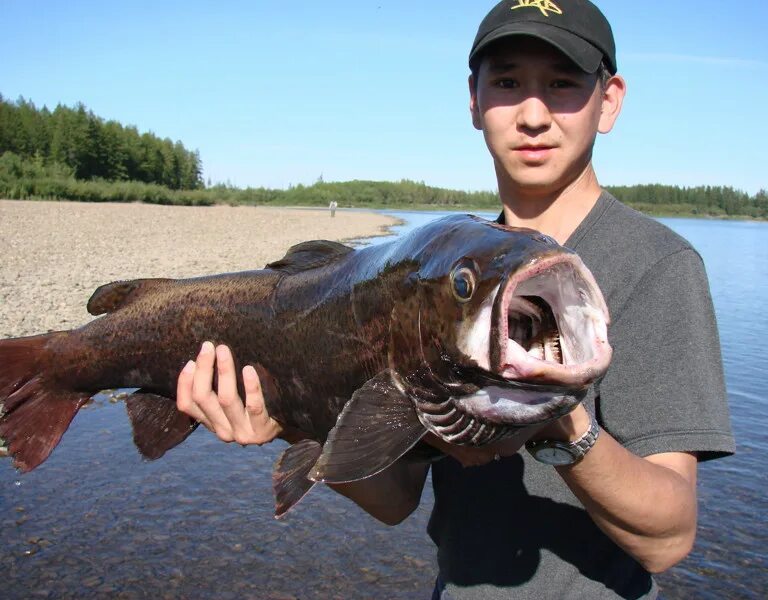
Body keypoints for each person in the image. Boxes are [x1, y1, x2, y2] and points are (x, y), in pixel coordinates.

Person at [175, 1, 735, 598]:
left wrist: (561, 424)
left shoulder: (658, 267)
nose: (533, 114)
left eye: (563, 84)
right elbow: (393, 502)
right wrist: (287, 420)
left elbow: (668, 539)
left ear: (610, 100)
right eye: (508, 82)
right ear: (474, 99)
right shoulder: (443, 280)